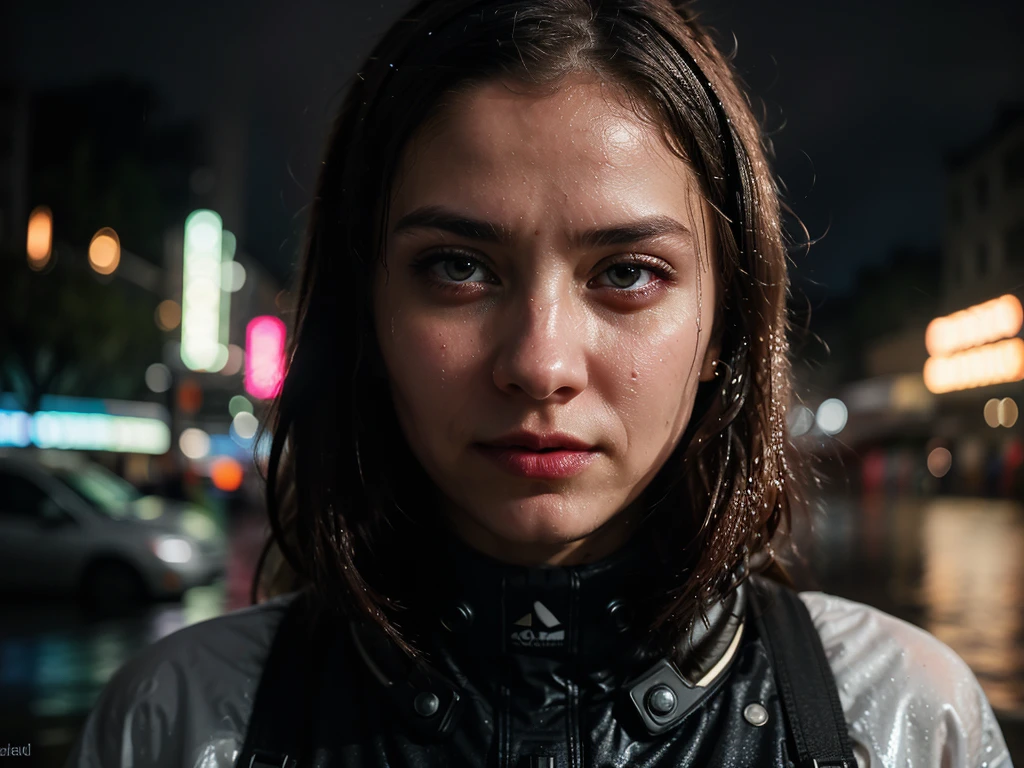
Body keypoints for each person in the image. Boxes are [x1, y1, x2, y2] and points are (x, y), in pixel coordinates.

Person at [66, 0, 1013, 766]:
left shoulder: (899, 722)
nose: (540, 364)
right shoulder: (178, 725)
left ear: (726, 318)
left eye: (628, 273)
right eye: (457, 268)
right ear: (366, 312)